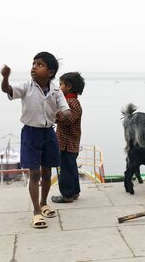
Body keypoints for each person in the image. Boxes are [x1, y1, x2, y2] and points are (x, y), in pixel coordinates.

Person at [1, 51, 70, 228]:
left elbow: (65, 109)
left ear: (50, 72)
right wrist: (5, 78)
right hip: (31, 134)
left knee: (47, 172)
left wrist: (65, 114)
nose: (34, 67)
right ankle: (36, 212)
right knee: (35, 173)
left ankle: (44, 202)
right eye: (33, 63)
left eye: (40, 64)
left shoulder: (55, 90)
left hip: (49, 133)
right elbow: (7, 90)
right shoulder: (26, 86)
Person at [51, 72, 85, 203]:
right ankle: (74, 192)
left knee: (64, 170)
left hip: (66, 143)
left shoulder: (71, 102)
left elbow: (67, 119)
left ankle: (67, 195)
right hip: (70, 143)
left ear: (69, 86)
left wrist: (54, 114)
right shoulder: (72, 101)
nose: (59, 87)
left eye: (61, 84)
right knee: (71, 169)